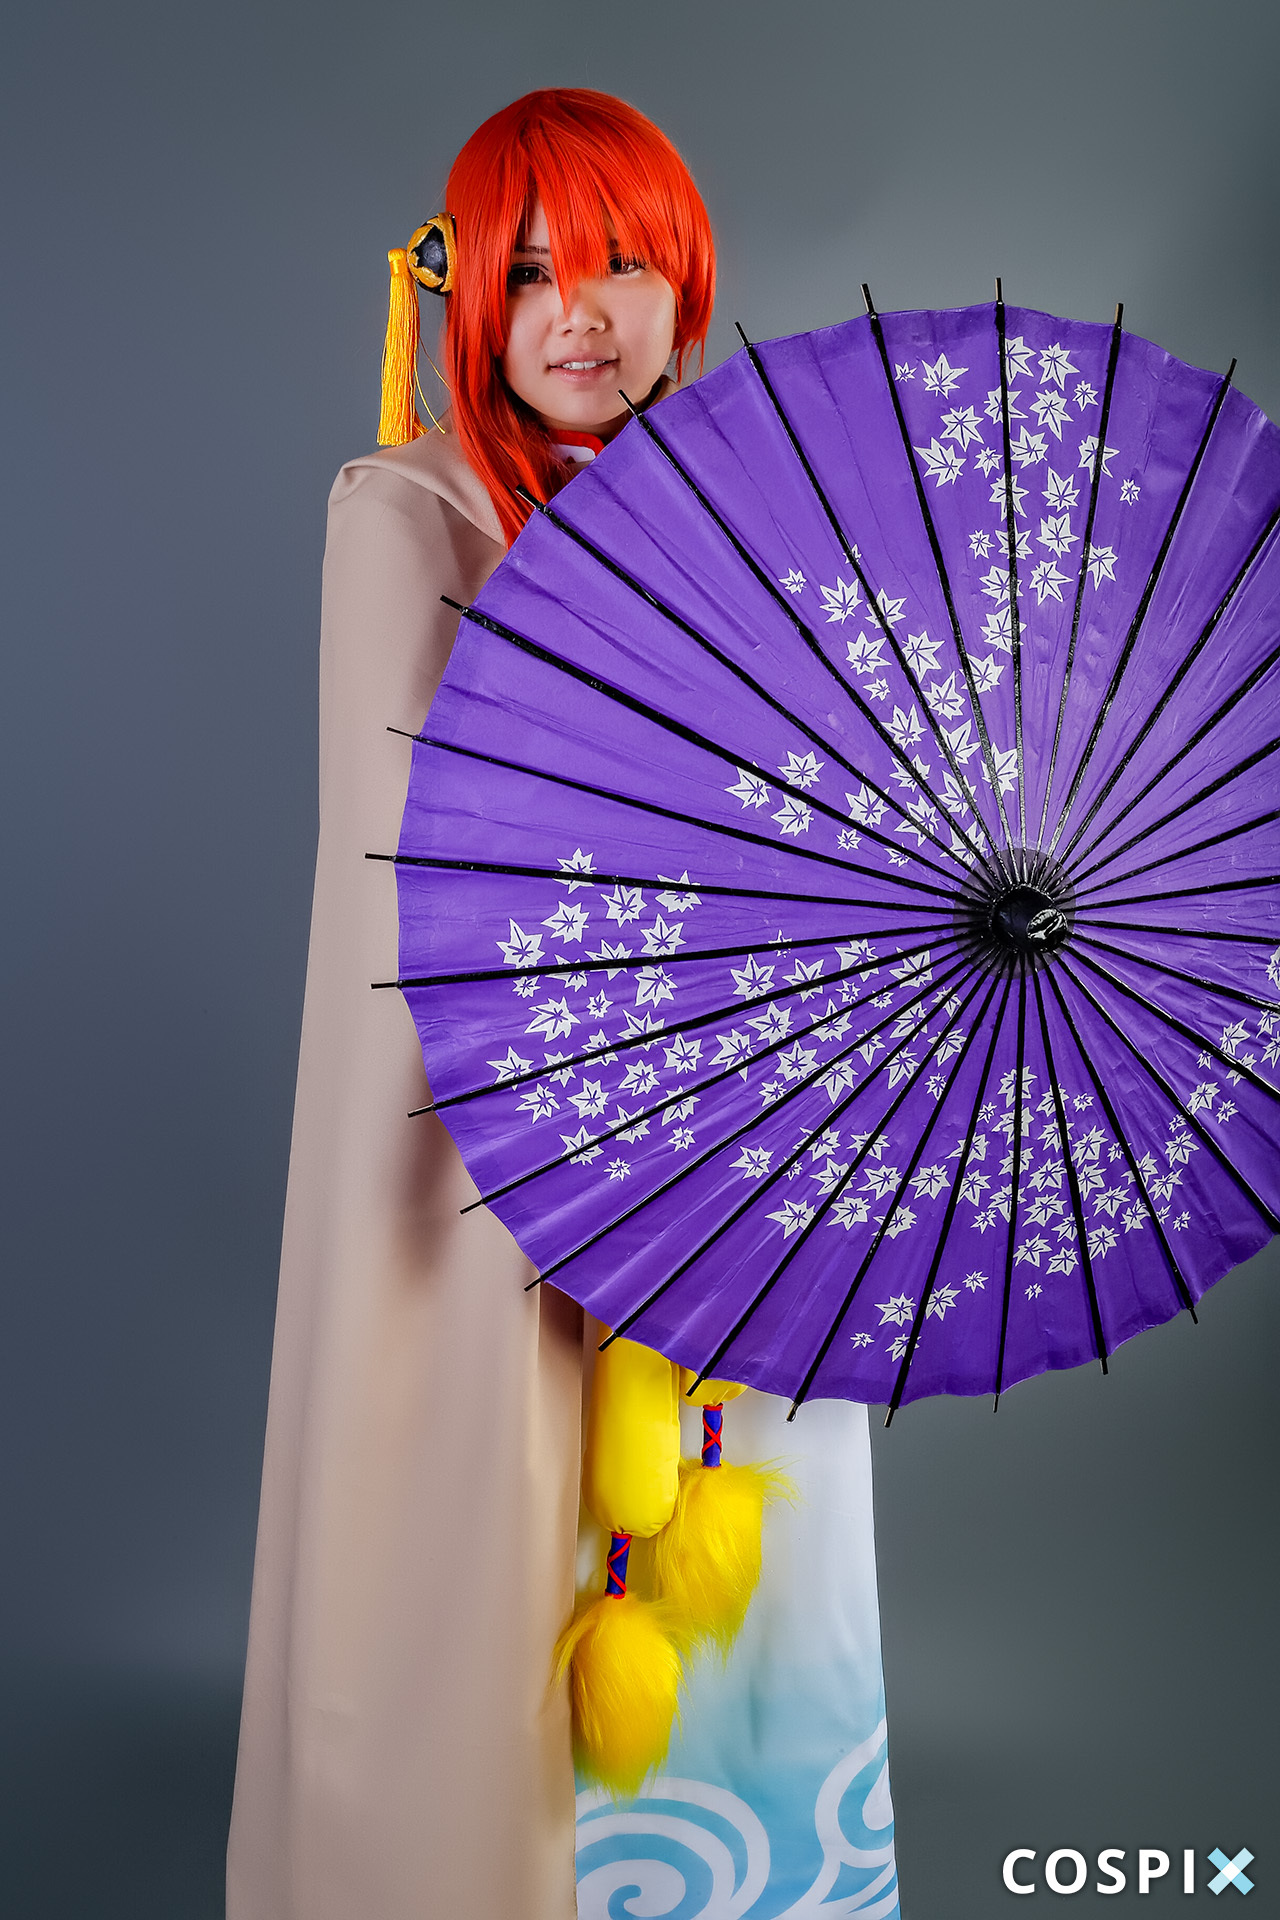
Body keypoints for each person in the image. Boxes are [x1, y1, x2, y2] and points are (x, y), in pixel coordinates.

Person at [227, 88, 898, 1920]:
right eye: (529, 274)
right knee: (481, 1559)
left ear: (687, 285)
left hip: (732, 1114)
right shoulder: (411, 511)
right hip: (499, 1136)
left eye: (616, 265)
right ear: (468, 300)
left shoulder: (751, 508)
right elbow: (416, 855)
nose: (577, 315)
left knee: (737, 1533)